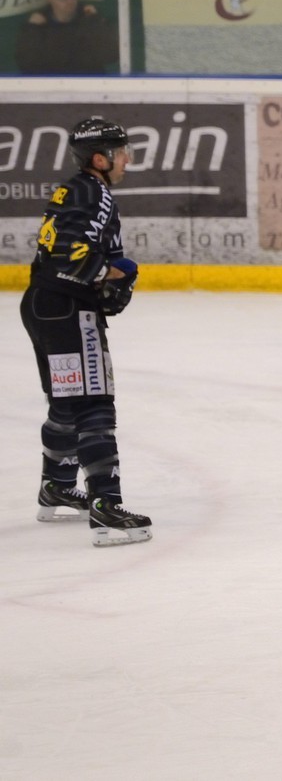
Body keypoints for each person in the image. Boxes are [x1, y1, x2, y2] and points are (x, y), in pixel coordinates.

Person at [20, 116, 152, 545]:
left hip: (44, 305)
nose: (127, 159)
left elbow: (59, 250)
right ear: (101, 158)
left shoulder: (76, 188)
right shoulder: (94, 192)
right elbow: (69, 253)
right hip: (69, 308)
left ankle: (56, 486)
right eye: (121, 152)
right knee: (94, 402)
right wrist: (112, 275)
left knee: (67, 399)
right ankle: (106, 507)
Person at [14, 0, 119, 76]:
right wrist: (32, 30)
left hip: (88, 87)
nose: (70, 1)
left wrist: (95, 22)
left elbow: (111, 56)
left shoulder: (89, 19)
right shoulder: (39, 26)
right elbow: (26, 66)